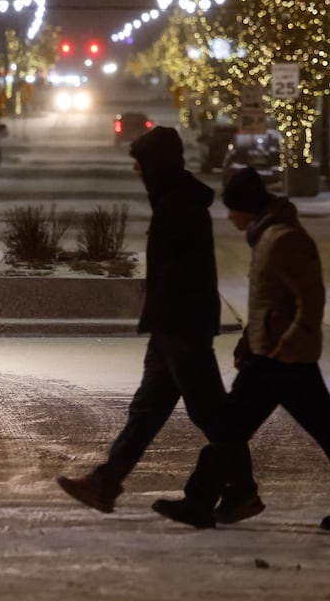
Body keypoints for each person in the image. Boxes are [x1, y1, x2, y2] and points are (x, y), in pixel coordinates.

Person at [153, 165, 330, 531]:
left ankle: (200, 501)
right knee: (327, 435)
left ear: (247, 206)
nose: (229, 217)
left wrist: (289, 344)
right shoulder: (267, 237)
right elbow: (269, 303)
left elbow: (310, 298)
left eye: (232, 209)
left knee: (227, 429)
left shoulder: (283, 240)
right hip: (277, 355)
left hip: (279, 359)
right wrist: (250, 340)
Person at [55, 126, 262, 522]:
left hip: (181, 327)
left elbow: (179, 274)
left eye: (142, 162)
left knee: (211, 415)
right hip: (174, 325)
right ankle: (106, 482)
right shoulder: (175, 200)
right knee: (148, 410)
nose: (136, 169)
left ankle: (242, 493)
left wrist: (166, 319)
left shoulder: (178, 206)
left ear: (159, 165)